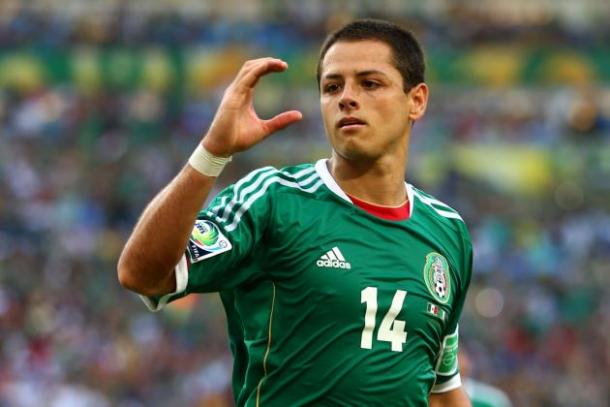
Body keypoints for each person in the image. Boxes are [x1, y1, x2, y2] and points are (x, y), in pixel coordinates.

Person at [118, 19, 473, 406]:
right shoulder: (273, 201)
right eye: (332, 87)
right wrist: (212, 152)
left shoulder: (447, 232)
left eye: (369, 84)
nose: (347, 98)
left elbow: (440, 390)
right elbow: (141, 274)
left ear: (416, 100)